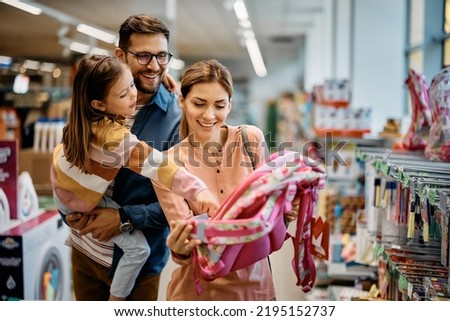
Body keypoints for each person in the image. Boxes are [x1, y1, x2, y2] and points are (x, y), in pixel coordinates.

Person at [51, 54, 219, 301]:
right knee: (139, 249)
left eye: (132, 84)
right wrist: (198, 190)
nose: (133, 94)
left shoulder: (83, 117)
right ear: (99, 104)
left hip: (64, 193)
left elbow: (100, 73)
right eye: (123, 93)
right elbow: (160, 166)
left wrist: (162, 82)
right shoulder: (115, 139)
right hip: (79, 206)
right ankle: (117, 300)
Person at [62, 14, 188, 301]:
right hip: (86, 252)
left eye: (161, 56)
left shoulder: (175, 118)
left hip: (138, 265)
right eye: (143, 56)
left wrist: (123, 218)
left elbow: (181, 201)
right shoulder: (94, 100)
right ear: (120, 55)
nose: (154, 66)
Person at [153, 59, 297, 300]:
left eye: (219, 105)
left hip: (257, 291)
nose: (209, 115)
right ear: (182, 101)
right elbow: (185, 247)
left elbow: (269, 224)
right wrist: (179, 250)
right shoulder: (169, 165)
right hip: (198, 296)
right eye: (199, 104)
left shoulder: (250, 140)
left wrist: (283, 213)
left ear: (230, 105)